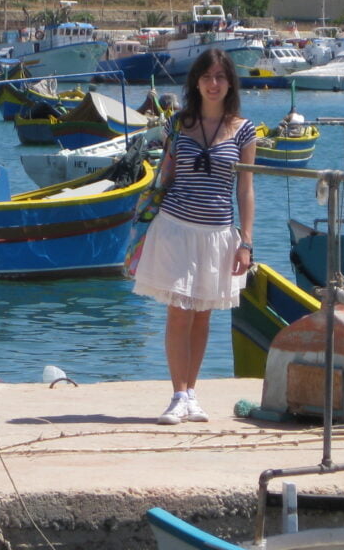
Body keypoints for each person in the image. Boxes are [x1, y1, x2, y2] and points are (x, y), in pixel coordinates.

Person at [133, 48, 256, 425]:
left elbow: (246, 190)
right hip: (175, 229)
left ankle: (193, 394)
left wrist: (246, 242)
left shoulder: (244, 129)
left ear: (230, 82)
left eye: (220, 76)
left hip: (218, 233)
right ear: (196, 82)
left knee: (202, 314)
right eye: (207, 77)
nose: (213, 83)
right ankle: (178, 394)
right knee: (178, 311)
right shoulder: (178, 123)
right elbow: (165, 174)